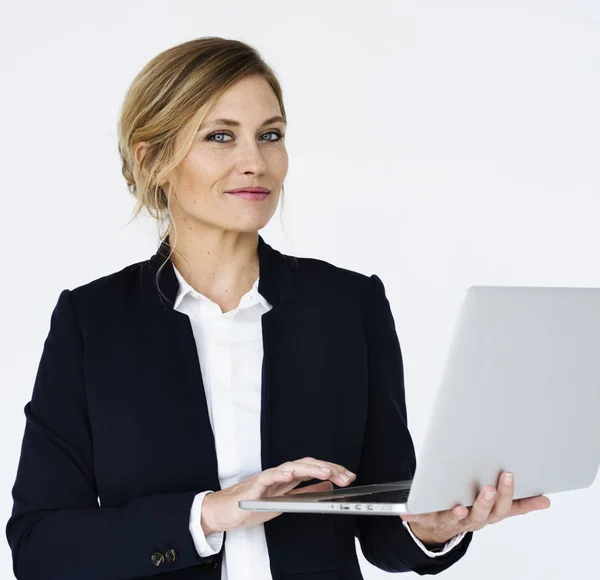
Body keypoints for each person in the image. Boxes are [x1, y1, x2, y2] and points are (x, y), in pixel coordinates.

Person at [5, 37, 550, 580]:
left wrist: (429, 527)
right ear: (153, 159)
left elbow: (382, 520)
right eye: (220, 136)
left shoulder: (348, 305)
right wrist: (212, 512)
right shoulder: (92, 322)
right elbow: (39, 547)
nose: (255, 162)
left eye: (271, 136)